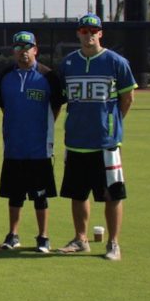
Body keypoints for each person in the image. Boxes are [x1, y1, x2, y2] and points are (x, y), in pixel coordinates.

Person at [56, 14, 136, 261]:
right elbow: (63, 98)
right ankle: (81, 239)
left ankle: (113, 243)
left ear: (100, 33)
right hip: (76, 141)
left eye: (94, 30)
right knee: (77, 194)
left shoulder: (116, 62)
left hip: (106, 143)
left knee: (113, 194)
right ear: (78, 33)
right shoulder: (68, 64)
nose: (89, 34)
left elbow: (127, 98)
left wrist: (111, 125)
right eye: (84, 30)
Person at [0, 31, 65, 253]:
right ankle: (13, 235)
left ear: (35, 49)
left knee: (40, 196)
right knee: (15, 195)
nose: (23, 51)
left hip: (39, 148)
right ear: (14, 51)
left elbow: (56, 106)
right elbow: (4, 105)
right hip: (13, 146)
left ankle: (43, 237)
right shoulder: (5, 76)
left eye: (27, 47)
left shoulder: (48, 76)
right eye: (18, 47)